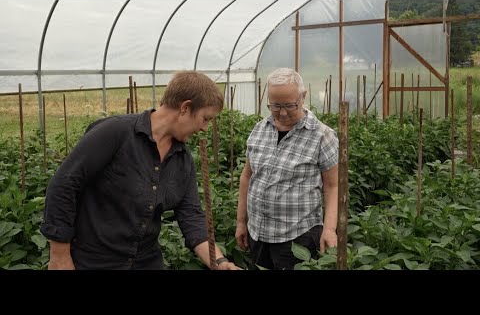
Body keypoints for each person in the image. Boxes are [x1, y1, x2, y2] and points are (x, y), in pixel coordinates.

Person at [41, 70, 240, 270]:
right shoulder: (115, 133)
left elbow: (191, 215)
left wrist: (219, 262)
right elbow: (64, 185)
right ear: (185, 108)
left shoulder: (182, 159)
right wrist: (59, 257)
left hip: (145, 262)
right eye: (205, 118)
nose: (205, 128)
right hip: (94, 260)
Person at [235, 68, 339, 270]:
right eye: (275, 106)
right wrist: (241, 222)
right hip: (257, 233)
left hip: (297, 237)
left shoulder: (321, 135)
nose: (282, 112)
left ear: (303, 97)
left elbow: (333, 186)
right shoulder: (259, 129)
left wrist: (330, 229)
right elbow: (247, 176)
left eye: (289, 105)